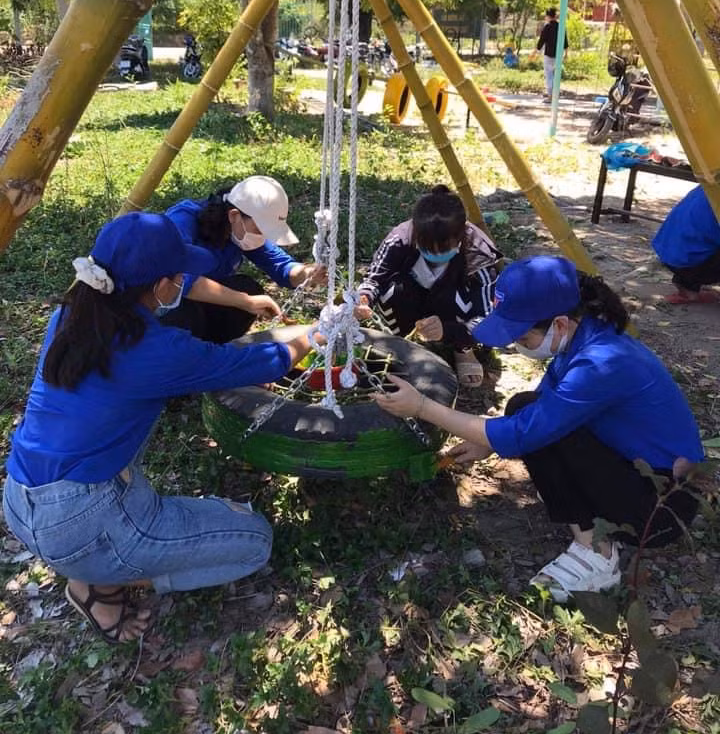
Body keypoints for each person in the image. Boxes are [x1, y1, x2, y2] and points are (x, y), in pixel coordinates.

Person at [2, 212, 317, 644]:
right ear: (160, 286)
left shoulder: (74, 313)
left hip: (20, 498)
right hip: (82, 518)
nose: (182, 282)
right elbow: (261, 361)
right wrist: (317, 333)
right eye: (178, 275)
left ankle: (91, 563)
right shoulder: (154, 349)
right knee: (253, 540)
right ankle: (97, 582)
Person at [373, 256, 703, 601]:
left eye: (524, 337)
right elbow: (542, 402)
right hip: (641, 474)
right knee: (524, 407)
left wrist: (423, 407)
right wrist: (487, 443)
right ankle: (592, 520)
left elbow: (522, 434)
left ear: (559, 323)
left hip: (662, 507)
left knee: (537, 428)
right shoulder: (584, 336)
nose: (517, 345)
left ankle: (598, 555)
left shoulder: (602, 363)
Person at [355, 185, 502, 387]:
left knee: (457, 297)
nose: (435, 255)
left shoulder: (479, 256)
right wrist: (363, 299)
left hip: (452, 309)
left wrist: (449, 330)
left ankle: (463, 349)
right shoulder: (399, 240)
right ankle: (403, 342)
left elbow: (488, 318)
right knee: (393, 290)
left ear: (461, 238)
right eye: (426, 247)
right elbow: (374, 280)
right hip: (413, 300)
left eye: (443, 249)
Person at [163, 176, 327, 342]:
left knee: (247, 287)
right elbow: (180, 279)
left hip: (200, 307)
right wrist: (244, 301)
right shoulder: (183, 219)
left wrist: (307, 274)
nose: (262, 237)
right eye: (260, 229)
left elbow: (281, 267)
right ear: (234, 216)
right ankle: (181, 354)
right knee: (183, 308)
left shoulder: (240, 232)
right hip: (162, 308)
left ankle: (213, 349)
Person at [652, 185, 720, 304]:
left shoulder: (711, 181)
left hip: (669, 253)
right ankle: (690, 284)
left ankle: (687, 289)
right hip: (690, 262)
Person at [534, 7, 568, 103]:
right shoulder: (561, 26)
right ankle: (555, 95)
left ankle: (550, 96)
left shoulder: (547, 26)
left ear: (548, 16)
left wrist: (535, 53)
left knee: (549, 76)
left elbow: (541, 41)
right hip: (558, 55)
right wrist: (566, 54)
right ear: (555, 16)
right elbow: (565, 41)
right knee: (556, 76)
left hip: (549, 55)